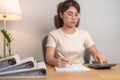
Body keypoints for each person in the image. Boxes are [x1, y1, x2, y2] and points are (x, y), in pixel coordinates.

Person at [45, 0, 107, 68]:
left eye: (76, 14)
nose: (74, 18)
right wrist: (56, 62)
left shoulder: (84, 34)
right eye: (70, 14)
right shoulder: (53, 34)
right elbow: (48, 57)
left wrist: (98, 55)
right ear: (61, 15)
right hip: (62, 70)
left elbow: (95, 52)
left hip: (81, 71)